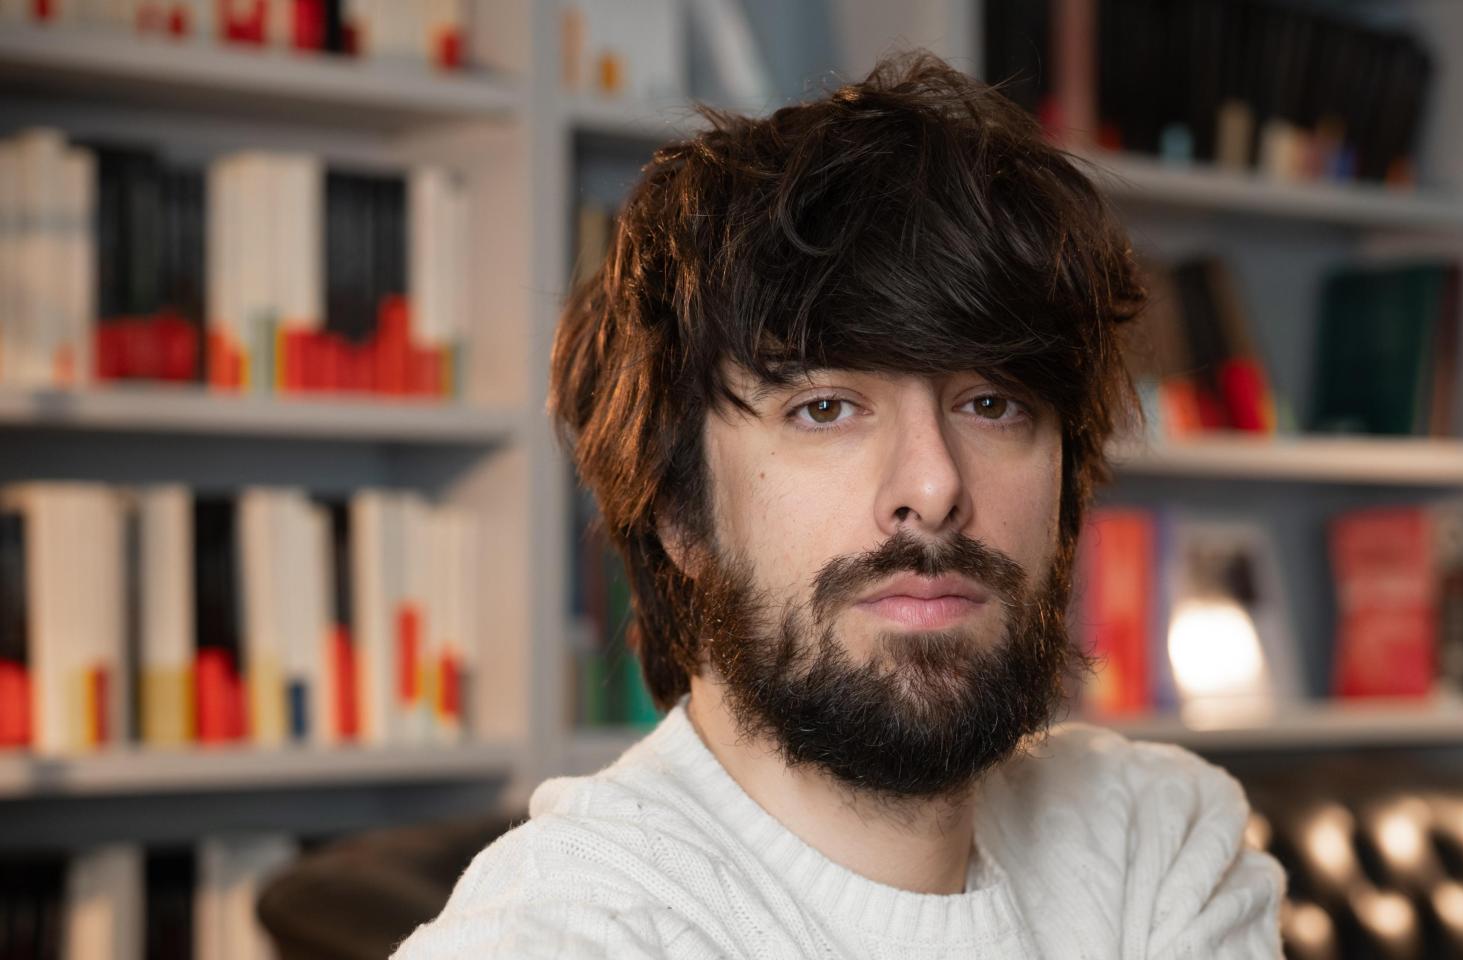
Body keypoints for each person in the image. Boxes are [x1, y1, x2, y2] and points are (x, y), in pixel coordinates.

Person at [395, 50, 1283, 959]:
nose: (933, 487)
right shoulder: (564, 932)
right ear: (679, 515)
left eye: (992, 403)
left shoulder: (1159, 840)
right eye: (825, 408)